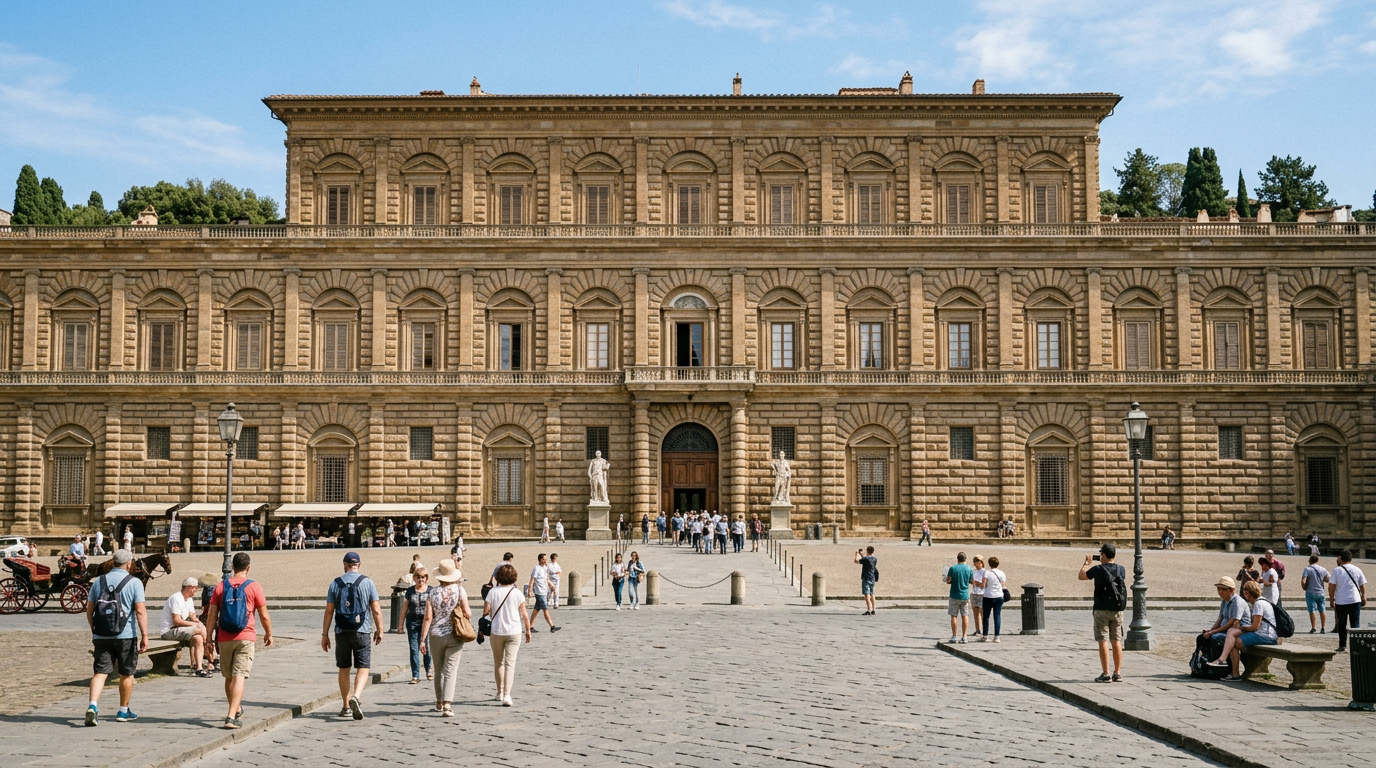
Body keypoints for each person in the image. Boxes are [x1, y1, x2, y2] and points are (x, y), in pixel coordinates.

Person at [207, 552, 274, 729]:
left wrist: (208, 639)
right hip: (245, 636)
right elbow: (264, 615)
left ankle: (235, 709)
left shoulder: (221, 587)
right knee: (239, 676)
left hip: (224, 637)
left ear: (232, 567)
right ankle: (231, 716)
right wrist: (269, 633)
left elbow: (212, 616)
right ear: (248, 567)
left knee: (228, 677)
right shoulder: (254, 586)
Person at [84, 549, 148, 726]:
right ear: (128, 564)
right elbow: (141, 611)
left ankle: (93, 706)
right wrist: (145, 636)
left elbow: (89, 610)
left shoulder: (99, 581)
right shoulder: (135, 582)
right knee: (127, 673)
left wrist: (94, 629)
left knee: (100, 672)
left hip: (101, 634)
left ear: (113, 562)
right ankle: (123, 710)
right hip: (125, 635)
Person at [322, 551, 383, 721]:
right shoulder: (367, 582)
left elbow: (328, 611)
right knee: (363, 667)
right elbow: (376, 610)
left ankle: (346, 705)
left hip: (341, 630)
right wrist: (380, 630)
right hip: (362, 630)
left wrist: (324, 634)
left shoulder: (335, 583)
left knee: (344, 668)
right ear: (359, 565)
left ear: (344, 564)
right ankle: (356, 696)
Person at [420, 558, 470, 717]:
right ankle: (448, 704)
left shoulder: (432, 593)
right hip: (455, 635)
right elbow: (468, 613)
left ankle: (439, 702)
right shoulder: (460, 591)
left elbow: (427, 618)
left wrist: (423, 639)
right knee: (451, 670)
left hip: (436, 635)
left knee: (438, 670)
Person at [1208, 581, 1277, 681]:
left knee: (1233, 642)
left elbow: (1255, 627)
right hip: (1264, 634)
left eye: (1246, 592)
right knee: (1232, 635)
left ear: (1249, 593)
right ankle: (1228, 667)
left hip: (1265, 635)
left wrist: (1241, 628)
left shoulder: (1258, 604)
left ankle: (1232, 670)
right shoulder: (1261, 602)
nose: (1245, 595)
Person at [484, 563, 531, 706]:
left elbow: (486, 612)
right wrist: (528, 630)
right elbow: (524, 614)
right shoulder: (517, 593)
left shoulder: (492, 592)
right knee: (510, 664)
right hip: (514, 631)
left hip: (497, 630)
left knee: (498, 662)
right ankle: (507, 695)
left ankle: (499, 692)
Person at [1079, 544, 1126, 682]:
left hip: (1101, 610)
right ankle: (1117, 673)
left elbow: (1081, 576)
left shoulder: (1098, 569)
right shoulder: (1121, 569)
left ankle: (1106, 673)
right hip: (1117, 610)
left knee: (1103, 640)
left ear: (1103, 555)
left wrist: (1086, 563)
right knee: (1116, 640)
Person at [1200, 575, 1251, 679]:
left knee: (1226, 640)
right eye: (1218, 589)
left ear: (1231, 590)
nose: (1220, 592)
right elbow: (1220, 619)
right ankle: (1210, 666)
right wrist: (1211, 630)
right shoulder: (1224, 601)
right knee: (1203, 637)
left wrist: (1214, 632)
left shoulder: (1237, 602)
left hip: (1240, 631)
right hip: (1228, 631)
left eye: (1223, 589)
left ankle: (1231, 670)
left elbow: (1233, 622)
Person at [161, 576, 211, 677]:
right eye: (195, 588)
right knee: (199, 629)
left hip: (180, 629)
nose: (196, 591)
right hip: (169, 631)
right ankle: (209, 654)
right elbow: (177, 621)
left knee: (198, 638)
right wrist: (195, 625)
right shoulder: (176, 598)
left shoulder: (189, 600)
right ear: (189, 588)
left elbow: (191, 615)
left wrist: (196, 621)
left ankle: (199, 668)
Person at [1330, 550, 1367, 653]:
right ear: (1351, 559)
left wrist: (1331, 599)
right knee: (1355, 624)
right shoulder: (1357, 569)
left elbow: (1331, 586)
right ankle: (1357, 646)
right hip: (1355, 600)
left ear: (1341, 559)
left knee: (1341, 624)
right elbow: (1362, 584)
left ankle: (1342, 645)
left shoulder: (1336, 570)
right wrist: (1364, 596)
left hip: (1341, 601)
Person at [404, 567, 433, 684]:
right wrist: (400, 625)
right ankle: (415, 675)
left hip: (427, 622)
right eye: (418, 577)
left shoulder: (431, 590)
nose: (421, 580)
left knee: (427, 647)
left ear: (426, 578)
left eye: (423, 577)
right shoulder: (410, 591)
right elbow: (404, 608)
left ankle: (428, 669)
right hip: (412, 621)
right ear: (414, 578)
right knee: (413, 648)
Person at [526, 553, 560, 632]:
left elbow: (547, 579)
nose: (545, 561)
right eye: (544, 559)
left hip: (544, 591)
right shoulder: (536, 568)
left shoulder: (545, 568)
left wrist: (551, 586)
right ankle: (552, 626)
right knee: (545, 609)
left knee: (536, 609)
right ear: (540, 559)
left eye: (546, 559)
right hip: (539, 592)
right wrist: (529, 591)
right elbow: (532, 580)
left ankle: (530, 626)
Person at [945, 552, 974, 644]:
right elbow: (971, 581)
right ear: (965, 559)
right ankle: (964, 636)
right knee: (965, 615)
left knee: (954, 616)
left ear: (957, 559)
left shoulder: (953, 568)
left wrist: (949, 580)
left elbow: (948, 580)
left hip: (954, 594)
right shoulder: (969, 569)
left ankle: (954, 636)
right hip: (965, 595)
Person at [977, 556, 1007, 642]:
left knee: (986, 617)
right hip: (999, 596)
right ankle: (997, 636)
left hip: (988, 596)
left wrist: (977, 583)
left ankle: (985, 636)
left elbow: (983, 585)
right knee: (997, 616)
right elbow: (1003, 584)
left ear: (989, 564)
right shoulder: (1001, 573)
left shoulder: (987, 573)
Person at [1301, 554, 1329, 633]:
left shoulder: (1307, 569)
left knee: (1312, 610)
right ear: (1317, 561)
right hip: (1321, 592)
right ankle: (1323, 628)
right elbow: (1328, 579)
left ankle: (1314, 628)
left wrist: (1304, 587)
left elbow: (1304, 580)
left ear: (1309, 561)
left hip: (1310, 592)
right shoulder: (1323, 569)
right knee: (1322, 609)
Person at [854, 546, 878, 616]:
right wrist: (862, 555)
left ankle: (869, 610)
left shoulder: (865, 559)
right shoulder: (875, 559)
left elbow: (856, 561)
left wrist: (856, 554)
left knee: (867, 595)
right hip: (872, 578)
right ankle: (874, 609)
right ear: (873, 551)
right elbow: (868, 560)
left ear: (867, 551)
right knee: (872, 594)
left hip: (866, 578)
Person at [969, 556, 986, 638]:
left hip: (982, 593)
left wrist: (978, 583)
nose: (977, 565)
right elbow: (971, 581)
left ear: (982, 563)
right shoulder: (973, 571)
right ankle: (977, 629)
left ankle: (984, 629)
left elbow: (984, 584)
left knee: (982, 612)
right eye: (975, 563)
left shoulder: (985, 572)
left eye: (978, 563)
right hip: (974, 592)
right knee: (975, 612)